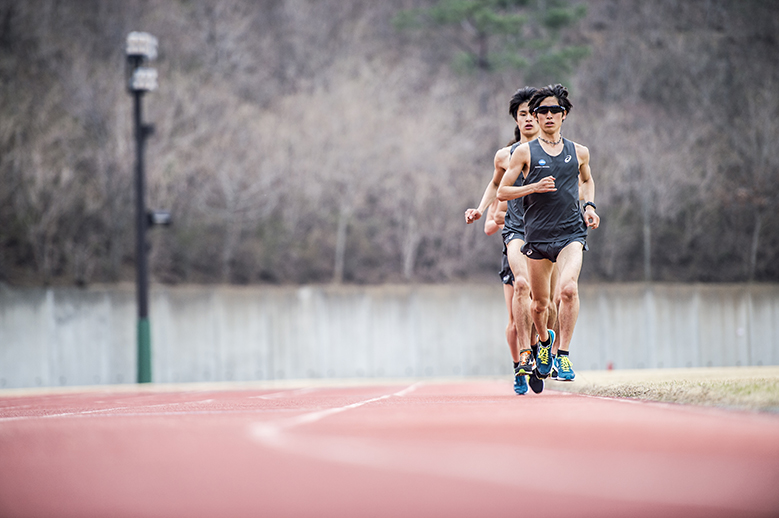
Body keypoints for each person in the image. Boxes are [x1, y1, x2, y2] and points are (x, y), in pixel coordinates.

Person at [497, 84, 600, 382]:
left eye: (554, 110)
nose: (548, 115)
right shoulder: (523, 153)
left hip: (571, 233)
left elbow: (587, 181)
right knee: (540, 305)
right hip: (538, 237)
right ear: (536, 117)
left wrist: (590, 207)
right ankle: (543, 341)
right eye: (542, 111)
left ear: (564, 114)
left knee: (568, 290)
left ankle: (563, 355)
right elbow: (503, 190)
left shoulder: (579, 152)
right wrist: (533, 187)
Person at [464, 87, 557, 395]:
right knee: (520, 295)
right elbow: (494, 185)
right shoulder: (505, 156)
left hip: (545, 233)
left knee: (543, 304)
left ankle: (543, 349)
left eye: (533, 114)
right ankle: (521, 362)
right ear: (516, 120)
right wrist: (480, 210)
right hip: (515, 233)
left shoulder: (556, 152)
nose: (528, 119)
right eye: (522, 115)